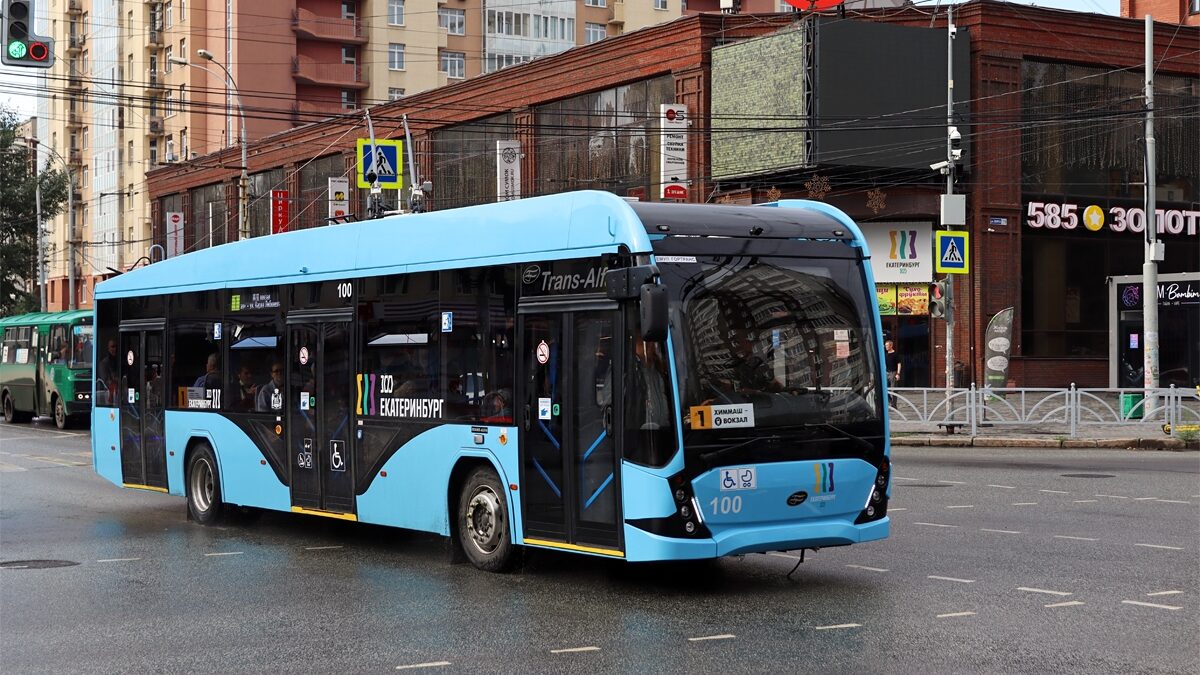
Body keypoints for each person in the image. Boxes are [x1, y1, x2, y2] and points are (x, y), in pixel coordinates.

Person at [97, 339, 119, 404]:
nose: (114, 349)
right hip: (109, 395)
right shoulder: (103, 364)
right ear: (108, 348)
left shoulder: (119, 361)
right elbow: (106, 381)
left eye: (116, 347)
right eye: (112, 347)